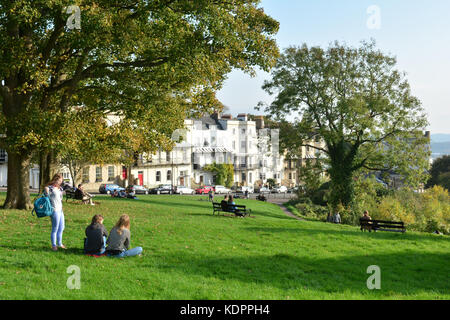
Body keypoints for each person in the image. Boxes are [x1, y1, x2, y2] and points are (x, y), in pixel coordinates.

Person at [44, 173, 66, 251]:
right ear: (55, 180)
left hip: (60, 210)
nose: (60, 182)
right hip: (54, 210)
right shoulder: (50, 188)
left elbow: (60, 200)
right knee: (55, 228)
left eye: (61, 181)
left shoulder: (60, 189)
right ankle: (54, 245)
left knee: (62, 227)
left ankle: (60, 243)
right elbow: (46, 198)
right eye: (59, 181)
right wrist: (46, 191)